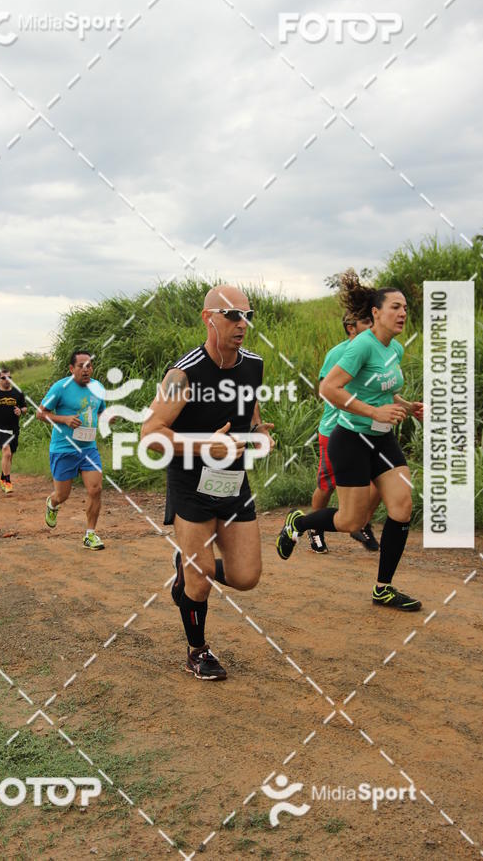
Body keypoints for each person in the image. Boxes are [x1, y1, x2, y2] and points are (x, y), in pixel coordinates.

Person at [141, 285, 275, 680]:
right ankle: (198, 651)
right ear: (208, 318)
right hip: (190, 483)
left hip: (233, 483)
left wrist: (257, 433)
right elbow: (151, 434)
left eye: (247, 315)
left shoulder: (253, 364)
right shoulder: (184, 373)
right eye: (232, 315)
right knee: (199, 581)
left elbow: (249, 411)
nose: (241, 323)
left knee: (247, 577)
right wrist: (204, 446)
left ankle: (186, 564)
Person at [276, 270, 424, 611]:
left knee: (402, 507)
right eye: (395, 307)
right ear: (375, 313)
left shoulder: (395, 348)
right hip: (351, 439)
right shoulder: (361, 346)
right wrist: (373, 413)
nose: (402, 313)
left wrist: (407, 406)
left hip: (382, 440)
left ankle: (383, 588)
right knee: (350, 522)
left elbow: (384, 387)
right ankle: (298, 522)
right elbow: (328, 389)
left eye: (405, 308)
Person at [309, 311, 381, 554]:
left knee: (379, 481)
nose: (373, 326)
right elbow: (325, 390)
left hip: (367, 429)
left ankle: (360, 524)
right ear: (351, 327)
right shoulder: (338, 353)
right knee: (328, 484)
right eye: (367, 322)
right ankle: (314, 529)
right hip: (335, 430)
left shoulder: (375, 349)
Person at [36, 350, 106, 550]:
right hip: (64, 449)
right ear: (71, 368)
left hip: (88, 449)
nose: (86, 370)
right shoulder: (61, 387)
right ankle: (53, 503)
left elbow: (100, 411)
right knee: (63, 495)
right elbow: (40, 413)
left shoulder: (98, 387)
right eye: (81, 366)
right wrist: (64, 419)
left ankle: (90, 535)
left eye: (89, 366)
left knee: (95, 489)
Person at [0, 369, 27, 494]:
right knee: (6, 453)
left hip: (14, 429)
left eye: (9, 377)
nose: (7, 380)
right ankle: (7, 482)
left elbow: (25, 408)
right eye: (4, 378)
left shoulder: (18, 393)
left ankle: (2, 477)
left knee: (9, 457)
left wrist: (21, 410)